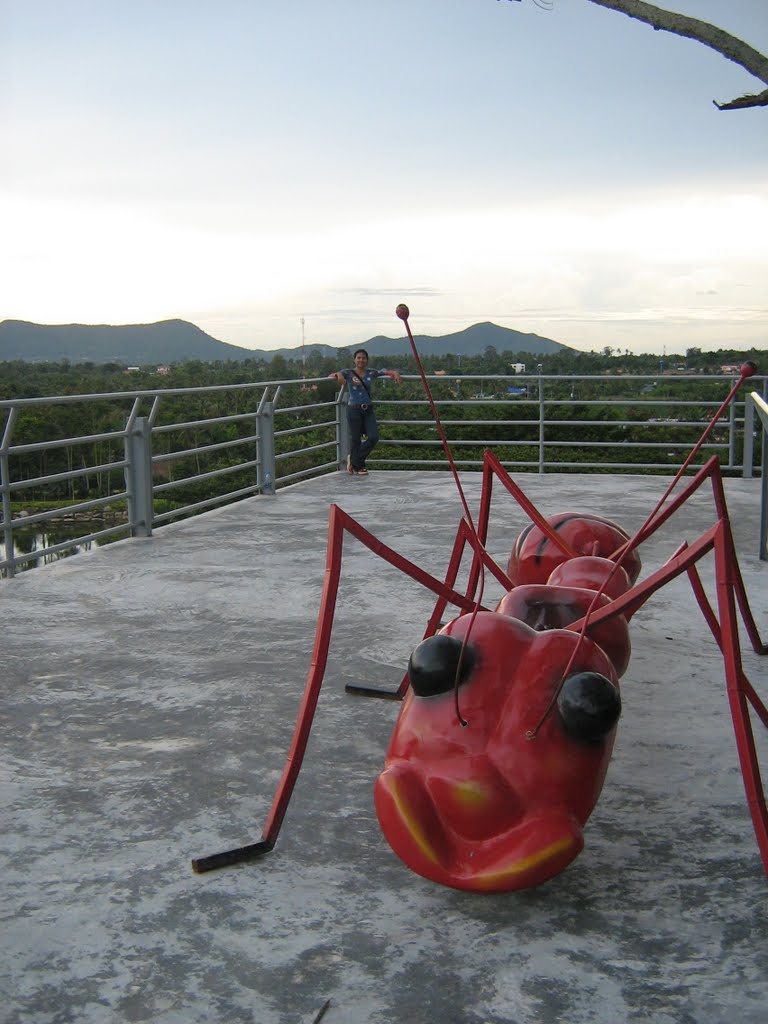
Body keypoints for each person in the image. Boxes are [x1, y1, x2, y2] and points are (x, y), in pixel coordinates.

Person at [331, 349, 402, 475]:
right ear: (354, 360)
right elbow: (333, 375)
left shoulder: (371, 373)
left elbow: (385, 372)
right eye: (358, 358)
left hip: (368, 409)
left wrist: (394, 373)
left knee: (374, 437)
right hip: (353, 409)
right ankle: (359, 465)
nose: (361, 360)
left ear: (367, 360)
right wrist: (339, 375)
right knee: (356, 439)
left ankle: (353, 460)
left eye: (363, 358)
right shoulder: (348, 373)